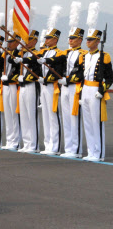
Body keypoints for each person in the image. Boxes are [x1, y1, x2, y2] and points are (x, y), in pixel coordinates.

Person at [45, 27, 86, 158]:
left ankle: (76, 149)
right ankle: (68, 148)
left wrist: (67, 79)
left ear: (80, 40)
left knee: (74, 118)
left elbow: (81, 72)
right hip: (65, 87)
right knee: (66, 118)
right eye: (69, 38)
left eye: (73, 38)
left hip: (75, 86)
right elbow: (57, 61)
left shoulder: (83, 54)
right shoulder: (66, 52)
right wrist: (45, 60)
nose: (70, 40)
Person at [79, 27, 113, 161]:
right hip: (85, 89)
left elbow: (110, 78)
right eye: (87, 39)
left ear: (98, 41)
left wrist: (101, 91)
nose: (88, 42)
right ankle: (91, 151)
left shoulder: (104, 56)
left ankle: (98, 153)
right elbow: (82, 76)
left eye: (91, 40)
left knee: (96, 122)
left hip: (95, 90)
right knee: (87, 122)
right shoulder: (85, 56)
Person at [35, 29, 65, 155]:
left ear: (55, 39)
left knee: (53, 116)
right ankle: (48, 144)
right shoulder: (44, 52)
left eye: (49, 38)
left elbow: (58, 69)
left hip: (53, 86)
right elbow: (33, 59)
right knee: (45, 116)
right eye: (46, 38)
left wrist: (46, 79)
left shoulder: (59, 53)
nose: (46, 40)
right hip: (43, 86)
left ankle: (55, 146)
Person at [15, 31, 42, 153]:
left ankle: (33, 144)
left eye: (29, 39)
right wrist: (17, 49)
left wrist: (25, 79)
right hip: (22, 86)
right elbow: (11, 61)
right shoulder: (22, 53)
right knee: (24, 115)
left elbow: (35, 66)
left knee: (31, 115)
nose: (26, 41)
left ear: (35, 40)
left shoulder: (36, 54)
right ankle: (26, 143)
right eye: (25, 39)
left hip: (31, 85)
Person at [0, 34, 22, 151]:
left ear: (17, 42)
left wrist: (9, 79)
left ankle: (15, 141)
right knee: (7, 114)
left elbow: (18, 70)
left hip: (14, 86)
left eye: (11, 42)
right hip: (6, 86)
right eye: (8, 42)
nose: (8, 44)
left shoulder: (19, 54)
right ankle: (9, 140)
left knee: (14, 115)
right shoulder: (6, 53)